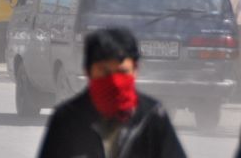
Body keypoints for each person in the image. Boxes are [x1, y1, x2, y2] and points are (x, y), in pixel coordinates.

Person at [38, 27, 186, 158]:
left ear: (135, 70)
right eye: (105, 72)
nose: (114, 82)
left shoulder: (152, 117)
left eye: (122, 72)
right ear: (88, 71)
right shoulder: (67, 119)